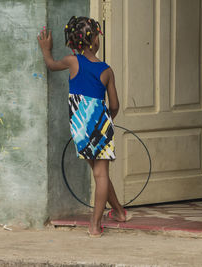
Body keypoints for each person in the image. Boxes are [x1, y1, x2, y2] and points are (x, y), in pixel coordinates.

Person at [37, 16, 132, 237]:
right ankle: (95, 225)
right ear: (95, 41)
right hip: (100, 125)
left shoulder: (72, 62)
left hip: (79, 128)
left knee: (99, 173)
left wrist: (46, 49)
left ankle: (119, 211)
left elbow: (51, 65)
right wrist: (107, 121)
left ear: (73, 42)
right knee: (101, 175)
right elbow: (115, 105)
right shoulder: (106, 70)